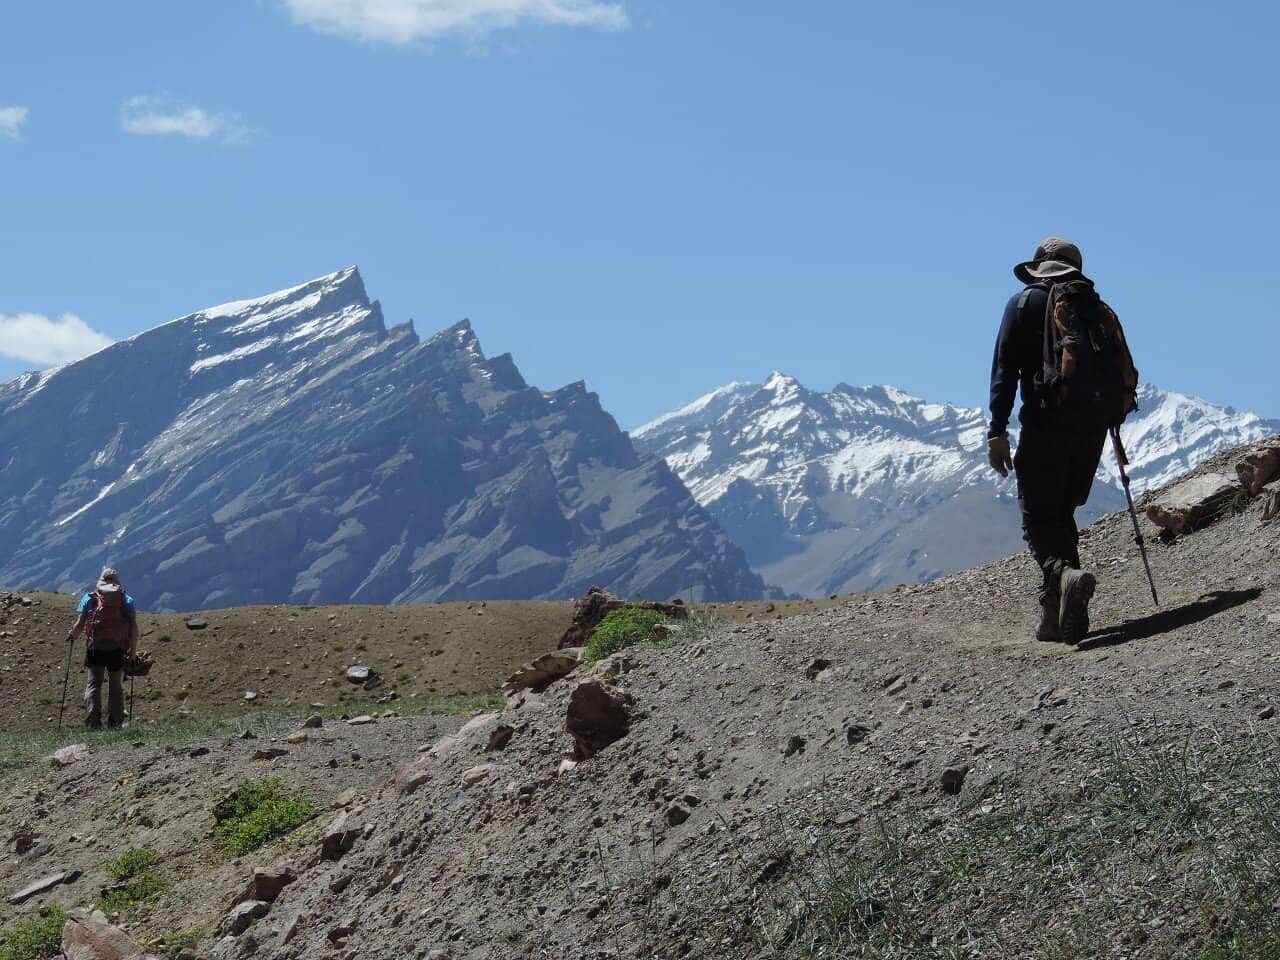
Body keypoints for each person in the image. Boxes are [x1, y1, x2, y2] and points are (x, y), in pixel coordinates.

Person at [987, 238, 1138, 644]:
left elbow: (1004, 371)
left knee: (1038, 516)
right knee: (1062, 513)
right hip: (1092, 429)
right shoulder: (1096, 309)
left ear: (1039, 266)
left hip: (1045, 422)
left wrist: (997, 431)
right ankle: (1053, 616)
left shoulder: (1023, 305)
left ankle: (1063, 575)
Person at [65, 567, 138, 728]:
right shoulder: (126, 600)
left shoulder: (89, 598)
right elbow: (133, 629)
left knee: (93, 684)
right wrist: (132, 654)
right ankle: (116, 722)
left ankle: (93, 722)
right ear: (117, 583)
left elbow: (80, 623)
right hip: (117, 649)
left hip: (95, 648)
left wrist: (72, 635)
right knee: (116, 685)